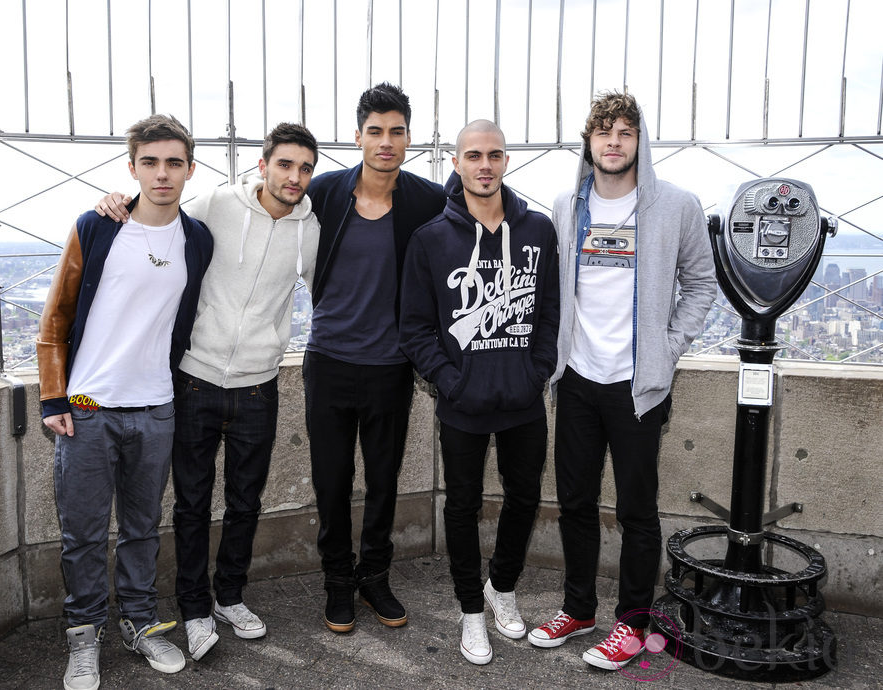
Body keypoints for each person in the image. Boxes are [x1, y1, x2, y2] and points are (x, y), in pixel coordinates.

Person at [93, 123, 320, 661]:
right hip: (194, 378)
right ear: (262, 166)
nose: (294, 177)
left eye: (305, 168)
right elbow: (158, 214)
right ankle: (194, 608)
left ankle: (230, 597)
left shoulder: (310, 230)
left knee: (245, 501)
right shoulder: (216, 203)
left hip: (259, 386)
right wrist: (118, 200)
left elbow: (325, 287)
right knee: (192, 504)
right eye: (284, 164)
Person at [529, 92, 716, 670]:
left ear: (641, 141)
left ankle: (632, 623)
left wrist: (668, 347)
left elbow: (701, 285)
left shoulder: (675, 206)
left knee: (637, 509)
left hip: (638, 387)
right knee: (577, 503)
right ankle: (579, 609)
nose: (614, 142)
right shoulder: (566, 205)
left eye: (626, 132)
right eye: (604, 132)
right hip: (579, 379)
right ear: (588, 142)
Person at [38, 114, 213, 690]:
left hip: (157, 407)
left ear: (190, 168)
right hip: (87, 405)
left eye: (174, 162)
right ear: (133, 166)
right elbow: (58, 314)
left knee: (141, 528)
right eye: (150, 162)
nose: (162, 174)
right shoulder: (98, 225)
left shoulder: (196, 239)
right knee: (83, 533)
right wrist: (52, 397)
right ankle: (83, 636)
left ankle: (139, 622)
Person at [399, 120, 560, 665]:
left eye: (494, 154)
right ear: (456, 163)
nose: (484, 165)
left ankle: (503, 590)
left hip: (522, 400)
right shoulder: (431, 239)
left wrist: (536, 371)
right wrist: (452, 381)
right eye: (473, 155)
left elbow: (549, 314)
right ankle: (471, 611)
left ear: (507, 160)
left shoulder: (537, 230)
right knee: (463, 507)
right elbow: (415, 328)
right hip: (462, 404)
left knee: (524, 499)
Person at [304, 82, 445, 633]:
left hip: (391, 366)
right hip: (329, 362)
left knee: (383, 482)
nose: (386, 141)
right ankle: (338, 581)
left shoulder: (425, 198)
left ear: (409, 136)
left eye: (397, 131)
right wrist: (127, 203)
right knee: (332, 482)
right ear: (358, 135)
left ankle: (374, 578)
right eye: (375, 131)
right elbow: (257, 198)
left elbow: (488, 202)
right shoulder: (325, 192)